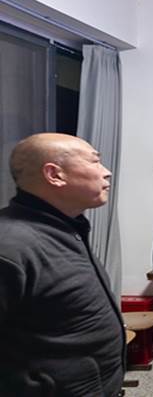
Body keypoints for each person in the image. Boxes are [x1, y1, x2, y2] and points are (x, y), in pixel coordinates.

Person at [0, 133, 125, 397]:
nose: (107, 172)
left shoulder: (67, 228)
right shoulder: (10, 245)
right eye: (95, 162)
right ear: (55, 175)